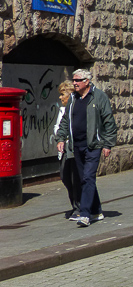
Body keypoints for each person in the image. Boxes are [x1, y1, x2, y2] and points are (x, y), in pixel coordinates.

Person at [56, 69, 117, 227]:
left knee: (88, 177)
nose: (74, 83)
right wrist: (61, 138)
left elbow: (108, 121)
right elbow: (66, 120)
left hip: (93, 145)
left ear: (87, 81)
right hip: (77, 145)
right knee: (85, 179)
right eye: (74, 80)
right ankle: (96, 211)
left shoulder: (99, 97)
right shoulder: (73, 98)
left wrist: (108, 144)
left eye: (77, 80)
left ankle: (85, 214)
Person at [54, 80, 81, 220]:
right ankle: (75, 205)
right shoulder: (62, 109)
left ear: (70, 94)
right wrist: (59, 138)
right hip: (64, 150)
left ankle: (79, 207)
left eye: (62, 94)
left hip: (74, 149)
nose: (60, 97)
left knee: (75, 178)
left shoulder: (75, 108)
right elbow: (59, 127)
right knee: (65, 178)